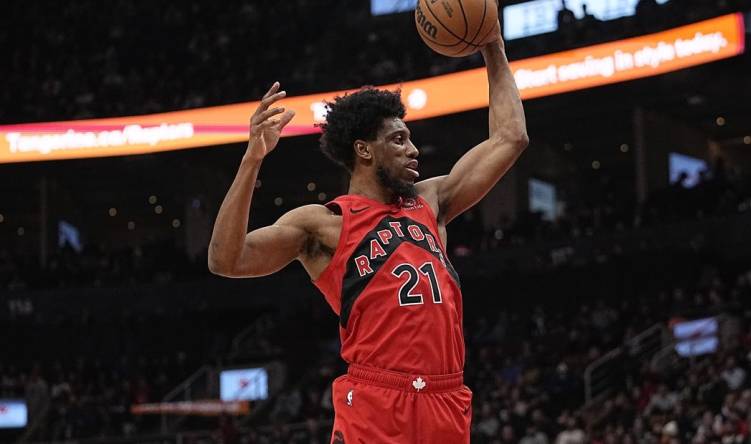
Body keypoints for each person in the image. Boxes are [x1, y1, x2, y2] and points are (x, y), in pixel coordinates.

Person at [208, 16, 528, 443]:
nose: (413, 150)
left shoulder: (431, 202)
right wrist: (252, 160)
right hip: (376, 401)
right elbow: (225, 260)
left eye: (410, 139)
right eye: (398, 140)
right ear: (363, 150)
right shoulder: (322, 224)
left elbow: (511, 137)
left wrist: (492, 46)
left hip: (446, 400)